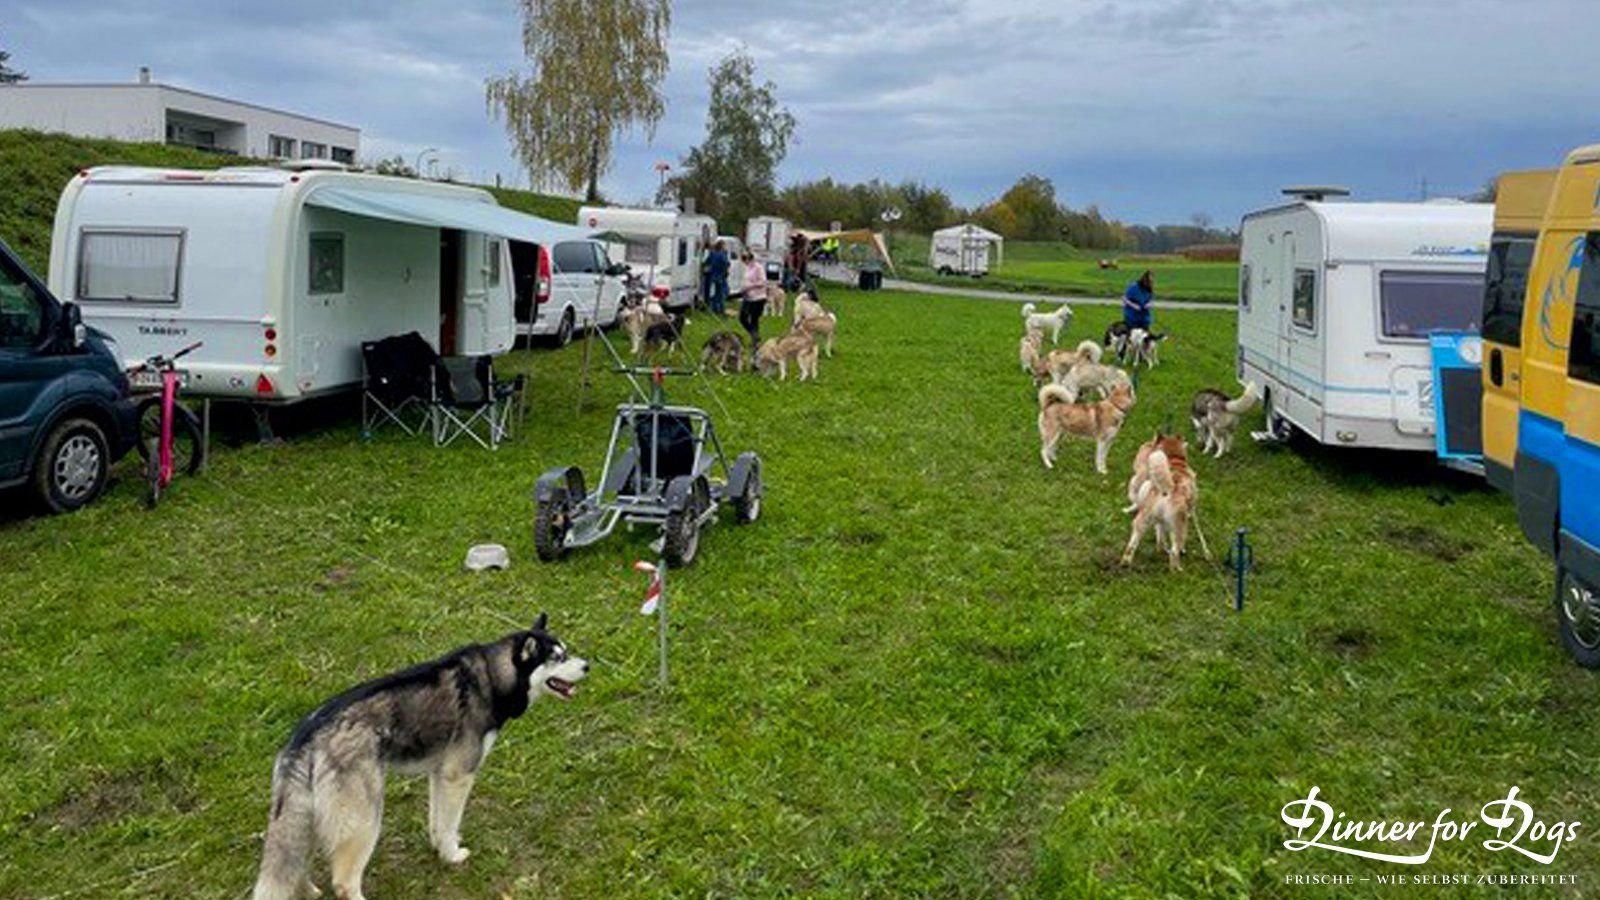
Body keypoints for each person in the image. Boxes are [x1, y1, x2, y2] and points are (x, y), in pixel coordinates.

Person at [738, 250, 768, 353]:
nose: (744, 262)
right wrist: (743, 288)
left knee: (754, 319)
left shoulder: (758, 267)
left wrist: (750, 286)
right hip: (748, 297)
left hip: (758, 298)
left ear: (750, 259)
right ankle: (754, 336)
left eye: (745, 259)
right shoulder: (747, 268)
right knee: (742, 317)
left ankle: (755, 340)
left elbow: (763, 282)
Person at [705, 240, 731, 316]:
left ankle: (714, 308)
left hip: (713, 276)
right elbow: (726, 264)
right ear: (722, 246)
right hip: (721, 276)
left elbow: (707, 262)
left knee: (715, 293)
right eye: (724, 245)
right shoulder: (722, 254)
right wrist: (726, 272)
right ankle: (721, 310)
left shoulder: (712, 253)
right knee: (722, 293)